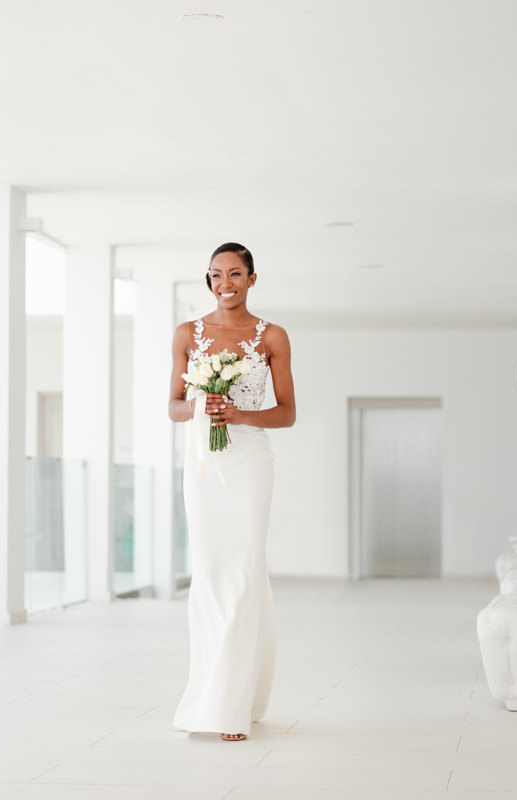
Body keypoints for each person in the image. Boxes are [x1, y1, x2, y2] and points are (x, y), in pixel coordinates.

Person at [168, 242, 297, 742]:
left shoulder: (273, 336)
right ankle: (211, 693)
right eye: (217, 275)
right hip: (202, 461)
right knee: (210, 570)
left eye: (236, 274)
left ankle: (233, 705)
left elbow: (287, 412)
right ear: (208, 280)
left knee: (243, 570)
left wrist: (238, 413)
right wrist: (203, 405)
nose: (226, 283)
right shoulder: (187, 334)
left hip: (249, 461)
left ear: (252, 279)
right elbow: (173, 405)